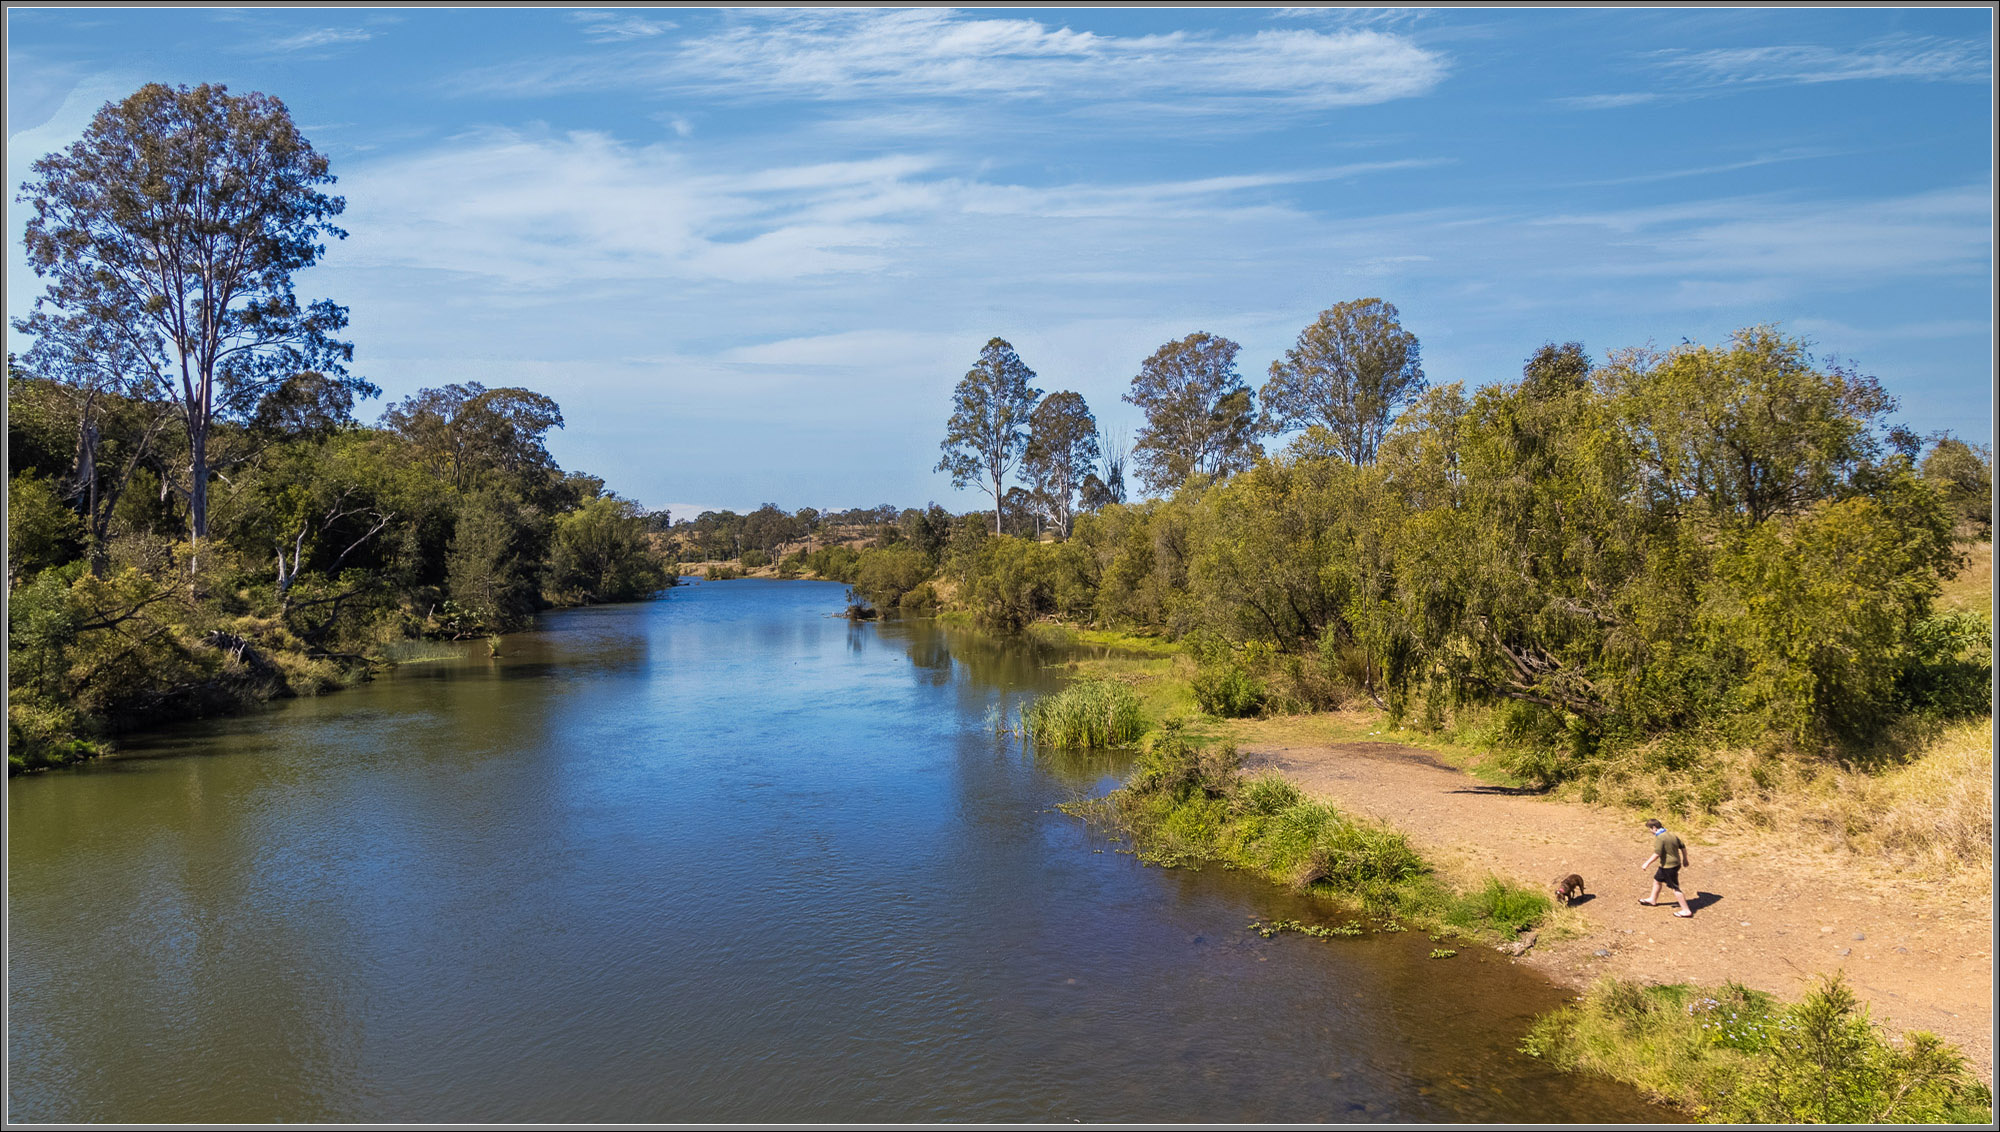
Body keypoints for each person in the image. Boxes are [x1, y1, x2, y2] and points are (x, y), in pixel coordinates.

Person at [1639, 818, 1693, 917]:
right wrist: (1685, 859)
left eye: (1650, 829)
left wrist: (1647, 863)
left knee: (1675, 888)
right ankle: (1652, 899)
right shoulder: (1671, 834)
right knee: (1657, 880)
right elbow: (1683, 846)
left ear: (1654, 828)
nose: (1650, 832)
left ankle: (1686, 910)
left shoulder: (1660, 837)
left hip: (1669, 866)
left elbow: (1657, 854)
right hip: (1673, 864)